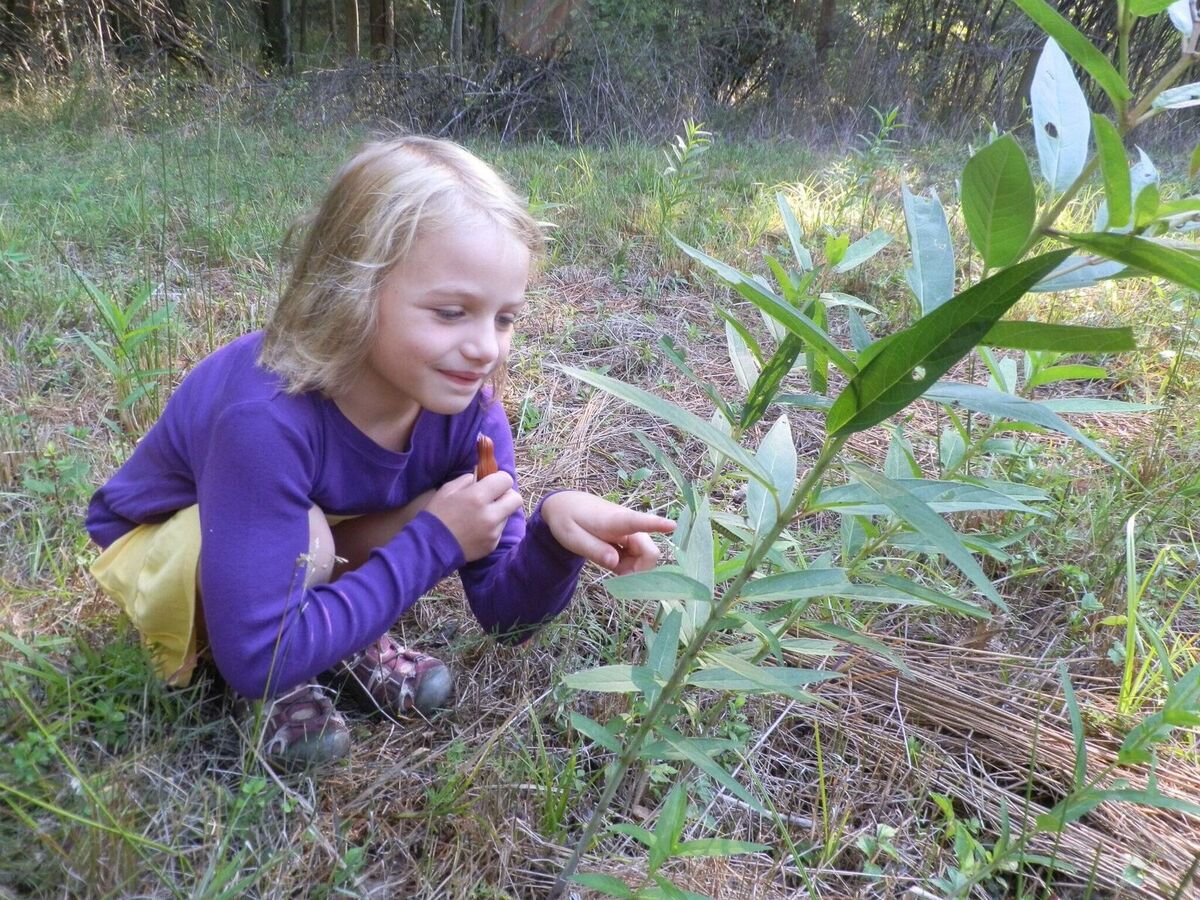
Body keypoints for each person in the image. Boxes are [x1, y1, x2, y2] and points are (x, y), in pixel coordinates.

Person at [85, 136, 675, 769]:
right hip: (168, 551)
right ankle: (296, 667)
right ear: (351, 291)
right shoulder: (266, 418)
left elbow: (506, 615)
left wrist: (553, 534)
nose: (485, 348)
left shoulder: (467, 406)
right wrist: (435, 541)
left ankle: (334, 631)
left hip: (287, 530)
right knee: (314, 541)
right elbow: (256, 656)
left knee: (439, 505)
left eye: (505, 318)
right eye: (451, 312)